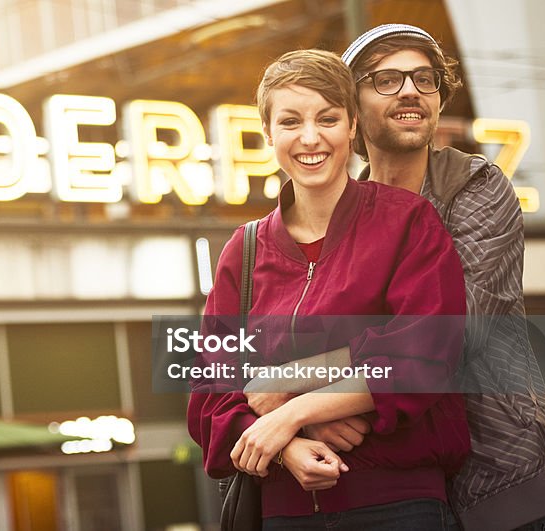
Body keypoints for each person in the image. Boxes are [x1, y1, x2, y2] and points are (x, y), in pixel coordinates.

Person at [187, 48, 469, 529]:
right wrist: (285, 443)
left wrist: (288, 400)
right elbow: (210, 391)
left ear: (353, 126)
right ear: (268, 134)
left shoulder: (407, 221)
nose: (310, 137)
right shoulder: (244, 250)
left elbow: (424, 353)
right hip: (285, 510)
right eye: (291, 121)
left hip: (400, 506)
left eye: (328, 118)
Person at [340, 24, 545, 531]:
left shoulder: (478, 185)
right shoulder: (340, 217)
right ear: (351, 107)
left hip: (498, 483)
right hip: (396, 489)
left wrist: (305, 387)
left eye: (424, 78)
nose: (411, 90)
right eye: (387, 80)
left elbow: (449, 335)